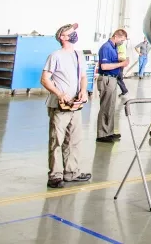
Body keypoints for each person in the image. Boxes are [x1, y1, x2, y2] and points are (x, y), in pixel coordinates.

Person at [40, 23, 91, 188]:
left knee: (74, 140)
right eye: (71, 31)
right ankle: (55, 175)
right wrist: (60, 94)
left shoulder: (78, 55)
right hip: (59, 105)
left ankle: (71, 172)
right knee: (57, 140)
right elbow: (45, 79)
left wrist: (83, 90)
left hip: (75, 105)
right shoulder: (55, 56)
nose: (74, 33)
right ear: (62, 37)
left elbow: (83, 76)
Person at [96, 28, 131, 143]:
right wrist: (122, 63)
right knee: (105, 106)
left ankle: (109, 132)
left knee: (110, 107)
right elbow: (104, 66)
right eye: (122, 40)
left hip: (113, 79)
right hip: (106, 79)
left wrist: (122, 62)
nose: (122, 42)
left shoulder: (114, 47)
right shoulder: (106, 47)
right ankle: (102, 135)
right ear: (116, 36)